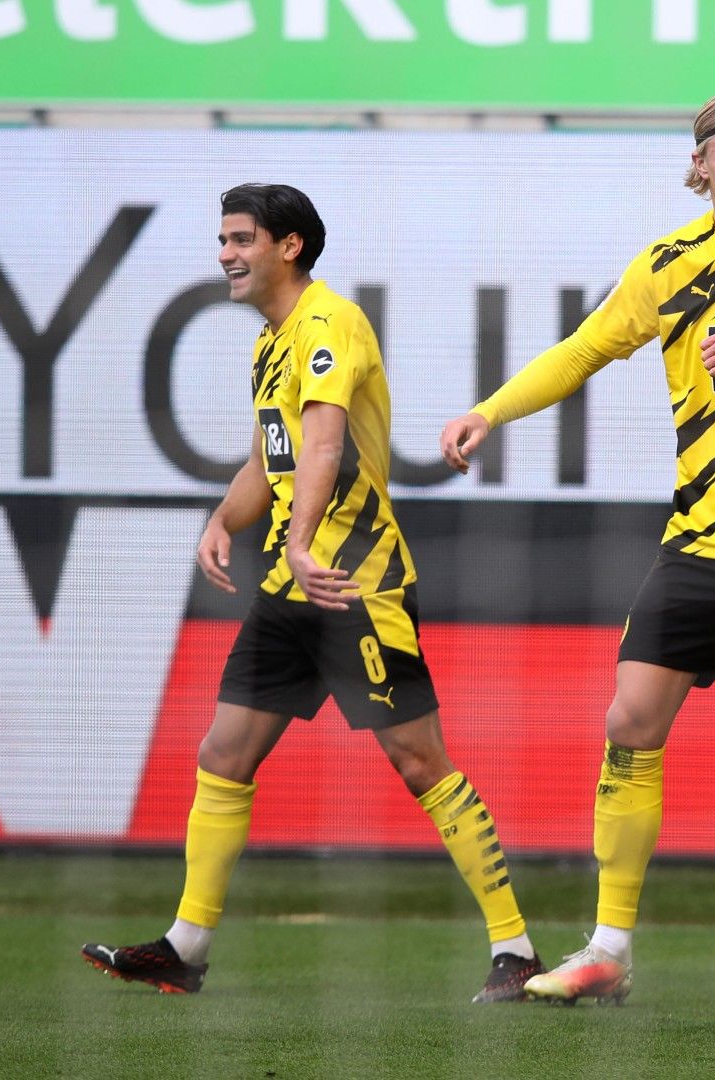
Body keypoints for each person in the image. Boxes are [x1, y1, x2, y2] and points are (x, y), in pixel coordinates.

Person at [438, 90, 715, 1013]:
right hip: (697, 541)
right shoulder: (667, 263)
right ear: (700, 169)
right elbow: (580, 351)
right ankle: (608, 948)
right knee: (629, 723)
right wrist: (490, 410)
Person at [81, 184, 542, 1002]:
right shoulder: (272, 342)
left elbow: (326, 445)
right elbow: (275, 459)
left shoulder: (329, 324)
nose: (225, 253)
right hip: (293, 587)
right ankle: (185, 949)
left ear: (288, 246)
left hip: (354, 583)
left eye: (240, 239)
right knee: (223, 755)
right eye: (222, 239)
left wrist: (293, 541)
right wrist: (225, 519)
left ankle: (517, 950)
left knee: (419, 760)